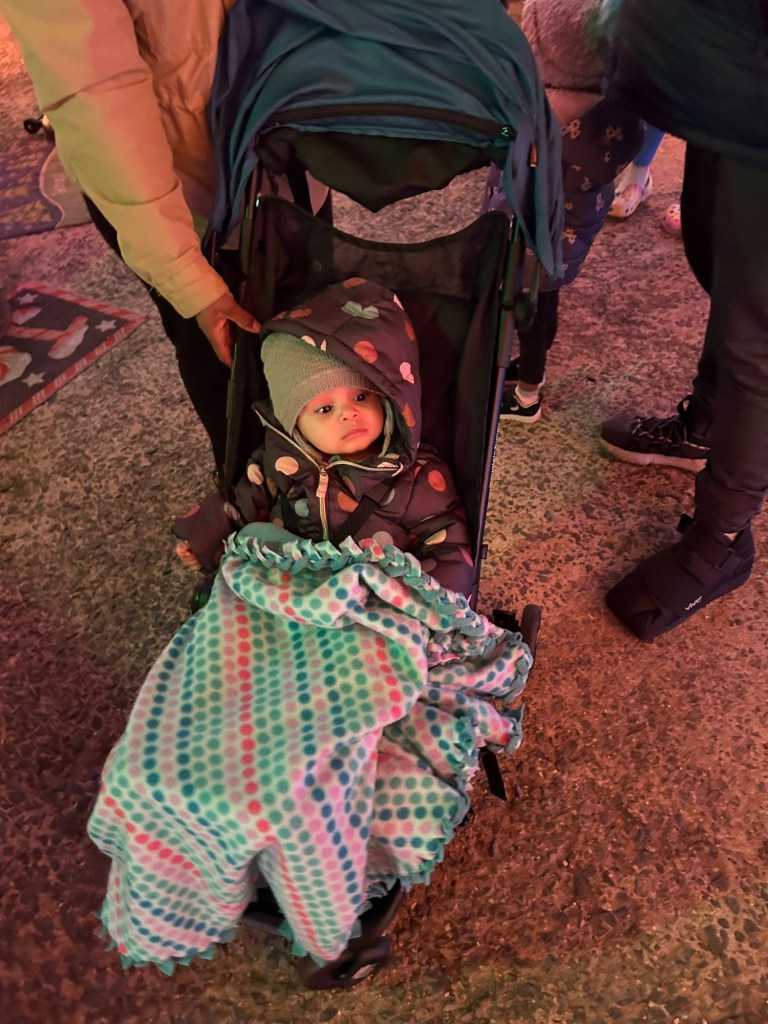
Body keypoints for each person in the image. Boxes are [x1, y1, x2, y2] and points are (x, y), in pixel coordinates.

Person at [0, 0, 327, 469]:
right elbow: (97, 97)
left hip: (291, 145)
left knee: (323, 336)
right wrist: (185, 274)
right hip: (191, 197)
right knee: (240, 383)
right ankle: (260, 498)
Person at [599, 0, 768, 640]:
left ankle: (722, 539)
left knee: (758, 335)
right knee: (717, 262)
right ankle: (705, 428)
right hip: (722, 80)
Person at [175, 277, 475, 595]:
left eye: (361, 397)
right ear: (294, 423)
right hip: (288, 595)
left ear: (388, 401)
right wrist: (203, 538)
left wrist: (423, 602)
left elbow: (449, 545)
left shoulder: (416, 477)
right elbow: (238, 508)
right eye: (325, 409)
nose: (349, 413)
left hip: (375, 605)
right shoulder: (276, 462)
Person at [487, 0, 643, 421]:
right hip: (566, 235)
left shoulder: (543, 116)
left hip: (532, 233)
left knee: (527, 311)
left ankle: (527, 397)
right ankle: (532, 371)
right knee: (545, 301)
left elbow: (500, 136)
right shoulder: (612, 106)